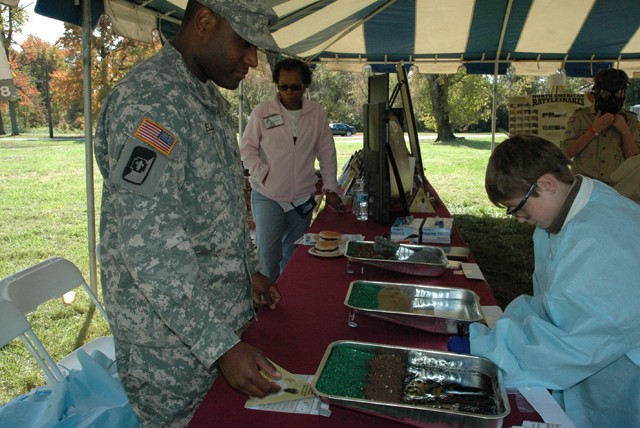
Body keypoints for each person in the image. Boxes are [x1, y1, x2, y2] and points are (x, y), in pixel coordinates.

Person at [93, 1, 284, 426]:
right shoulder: (153, 102)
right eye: (245, 43)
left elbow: (217, 206)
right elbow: (149, 245)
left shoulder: (203, 97)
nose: (253, 60)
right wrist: (220, 345)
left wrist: (247, 268)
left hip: (211, 326)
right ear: (204, 22)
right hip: (172, 347)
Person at [459, 135, 640, 426]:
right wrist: (501, 335)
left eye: (518, 208)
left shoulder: (600, 238)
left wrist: (489, 352)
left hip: (621, 378)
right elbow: (552, 305)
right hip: (593, 360)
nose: (518, 218)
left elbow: (572, 344)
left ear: (545, 185)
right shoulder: (563, 216)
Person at [240, 58, 343, 282]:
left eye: (295, 86)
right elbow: (246, 148)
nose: (289, 92)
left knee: (294, 253)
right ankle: (267, 307)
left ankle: (288, 301)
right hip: (268, 195)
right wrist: (261, 173)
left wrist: (330, 187)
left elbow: (326, 152)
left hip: (303, 197)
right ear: (277, 86)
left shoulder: (316, 114)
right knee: (268, 254)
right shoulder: (262, 112)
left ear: (305, 86)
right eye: (283, 86)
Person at [562, 68, 640, 203]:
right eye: (605, 93)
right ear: (596, 92)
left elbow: (634, 160)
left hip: (619, 191)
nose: (612, 98)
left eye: (618, 93)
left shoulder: (630, 120)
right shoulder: (581, 117)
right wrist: (594, 130)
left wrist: (625, 132)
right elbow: (567, 153)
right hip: (585, 190)